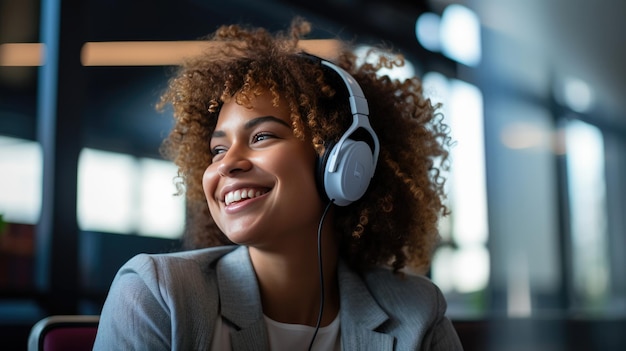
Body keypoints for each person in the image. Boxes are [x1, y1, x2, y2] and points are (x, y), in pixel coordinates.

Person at [93, 18, 462, 350]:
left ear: (343, 161)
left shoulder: (417, 311)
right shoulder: (158, 295)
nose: (228, 165)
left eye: (262, 137)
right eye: (218, 149)